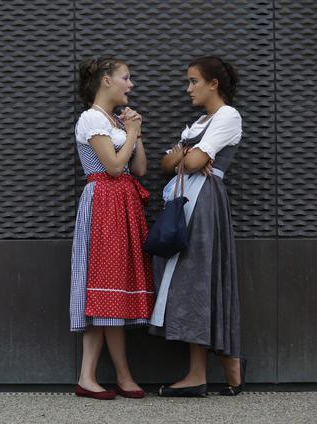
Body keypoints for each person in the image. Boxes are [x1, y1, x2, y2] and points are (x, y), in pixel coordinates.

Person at [150, 56, 244, 397]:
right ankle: (198, 373)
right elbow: (167, 164)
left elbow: (191, 161)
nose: (188, 88)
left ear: (213, 84)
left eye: (193, 82)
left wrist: (185, 154)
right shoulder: (199, 123)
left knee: (197, 278)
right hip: (186, 201)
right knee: (187, 280)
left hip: (204, 203)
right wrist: (187, 154)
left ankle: (213, 368)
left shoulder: (228, 116)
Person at [70, 56, 154, 400]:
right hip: (104, 204)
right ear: (106, 81)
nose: (130, 84)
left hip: (122, 205)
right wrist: (132, 132)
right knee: (105, 286)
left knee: (112, 289)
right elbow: (114, 167)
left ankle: (100, 376)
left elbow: (141, 168)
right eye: (126, 77)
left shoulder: (114, 120)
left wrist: (135, 131)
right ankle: (113, 376)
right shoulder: (91, 118)